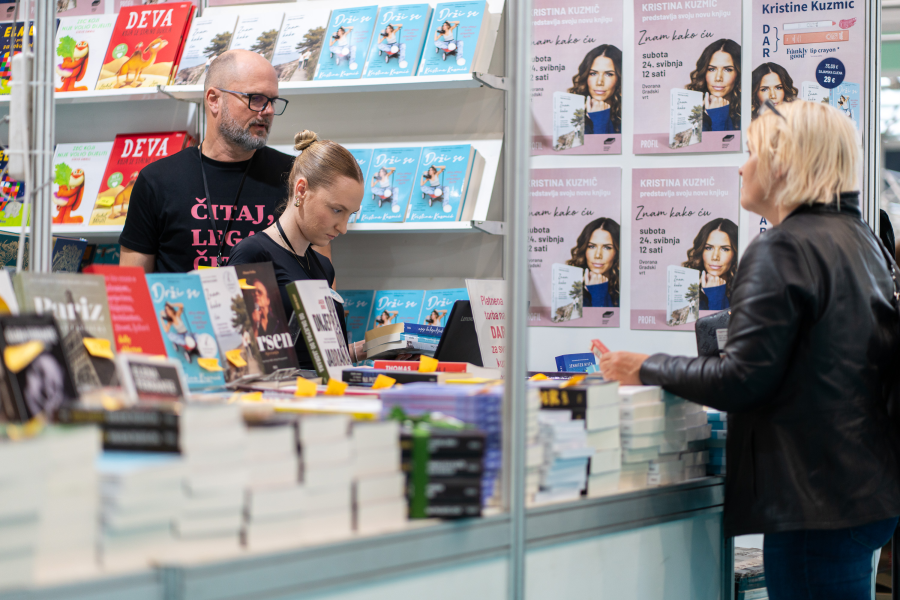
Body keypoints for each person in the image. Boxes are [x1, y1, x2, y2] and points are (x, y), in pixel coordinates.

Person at [600, 100, 900, 600]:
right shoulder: (863, 240)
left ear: (786, 163)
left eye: (753, 153)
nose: (742, 166)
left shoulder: (783, 248)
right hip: (863, 494)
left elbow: (742, 379)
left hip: (815, 506)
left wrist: (644, 366)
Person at [119, 49, 332, 273]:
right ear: (214, 100)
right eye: (256, 98)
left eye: (273, 101)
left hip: (270, 307)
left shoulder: (297, 178)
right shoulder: (157, 181)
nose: (268, 110)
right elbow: (132, 284)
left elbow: (322, 283)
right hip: (182, 308)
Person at [228, 130, 365, 369]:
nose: (343, 228)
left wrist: (372, 349)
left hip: (320, 399)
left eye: (350, 214)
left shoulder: (323, 267)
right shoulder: (253, 255)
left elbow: (320, 360)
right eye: (336, 210)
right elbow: (240, 360)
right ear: (301, 190)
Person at [681, 218, 738, 310]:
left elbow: (724, 324)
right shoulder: (687, 288)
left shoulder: (747, 291)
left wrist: (716, 295)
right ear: (701, 251)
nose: (715, 257)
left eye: (725, 249)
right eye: (708, 248)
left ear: (735, 254)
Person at [685, 39, 741, 132]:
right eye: (712, 69)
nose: (718, 78)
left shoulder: (748, 113)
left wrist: (719, 116)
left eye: (727, 70)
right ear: (704, 72)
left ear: (738, 74)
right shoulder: (690, 111)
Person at [567, 45, 622, 135]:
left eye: (608, 74)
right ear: (586, 76)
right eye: (593, 74)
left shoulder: (628, 117)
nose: (599, 82)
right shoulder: (571, 116)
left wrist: (600, 118)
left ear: (619, 79)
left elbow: (608, 149)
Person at [566, 217, 619, 308]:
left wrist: (598, 292)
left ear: (617, 252)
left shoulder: (625, 289)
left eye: (607, 247)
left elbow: (606, 322)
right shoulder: (569, 285)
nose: (598, 255)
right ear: (584, 249)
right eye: (591, 246)